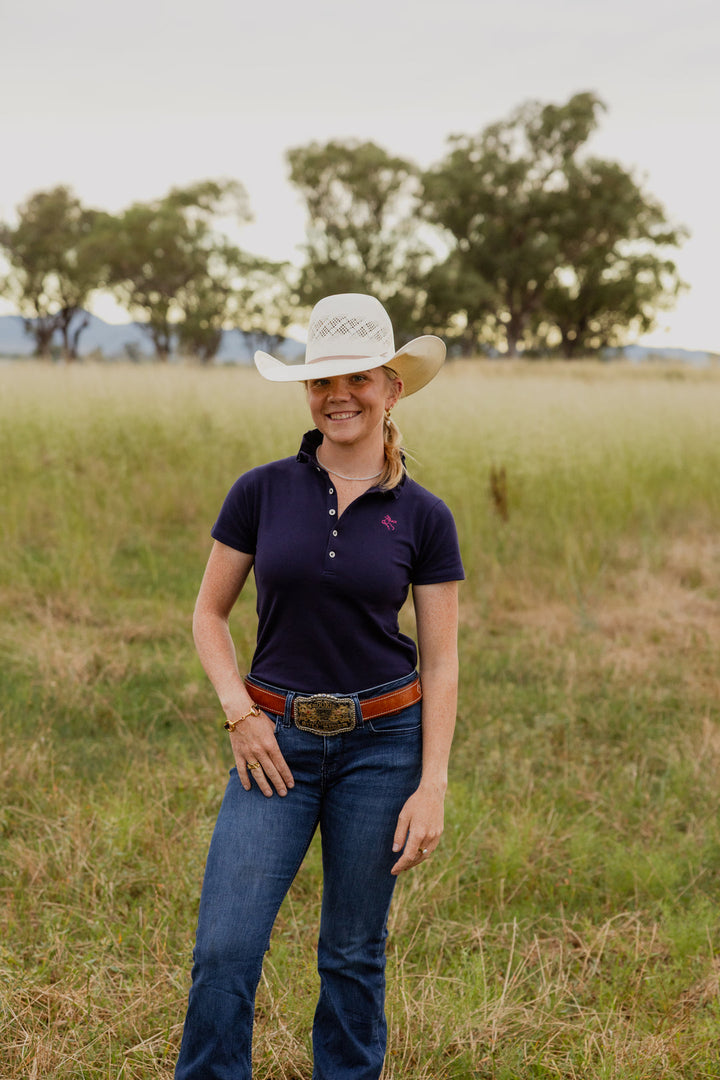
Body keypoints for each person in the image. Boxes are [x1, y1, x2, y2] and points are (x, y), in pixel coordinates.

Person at [175, 293, 465, 1080]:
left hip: (383, 748)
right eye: (322, 381)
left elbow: (441, 663)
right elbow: (207, 614)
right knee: (226, 948)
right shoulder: (261, 491)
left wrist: (432, 784)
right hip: (273, 743)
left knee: (351, 952)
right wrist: (240, 713)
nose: (339, 396)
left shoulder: (425, 516)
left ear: (391, 388)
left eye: (358, 379)